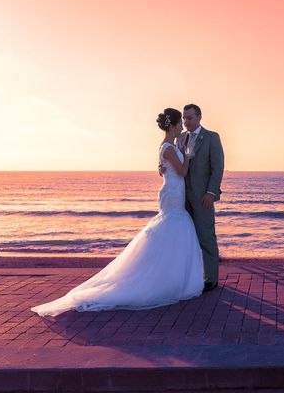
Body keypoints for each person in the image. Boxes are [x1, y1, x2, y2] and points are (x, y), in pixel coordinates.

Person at [31, 108, 204, 317]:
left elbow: (169, 168)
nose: (182, 127)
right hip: (173, 193)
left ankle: (171, 275)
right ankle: (162, 278)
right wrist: (188, 156)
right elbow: (183, 171)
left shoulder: (169, 145)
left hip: (174, 192)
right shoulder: (169, 147)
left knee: (175, 228)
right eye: (179, 124)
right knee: (174, 226)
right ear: (172, 125)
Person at [166, 104, 224, 292]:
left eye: (189, 118)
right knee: (187, 239)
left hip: (202, 197)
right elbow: (175, 164)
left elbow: (217, 168)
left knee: (206, 237)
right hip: (182, 198)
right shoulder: (180, 139)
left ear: (199, 117)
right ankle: (193, 276)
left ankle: (211, 279)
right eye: (184, 118)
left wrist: (211, 193)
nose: (186, 122)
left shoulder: (211, 137)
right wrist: (163, 168)